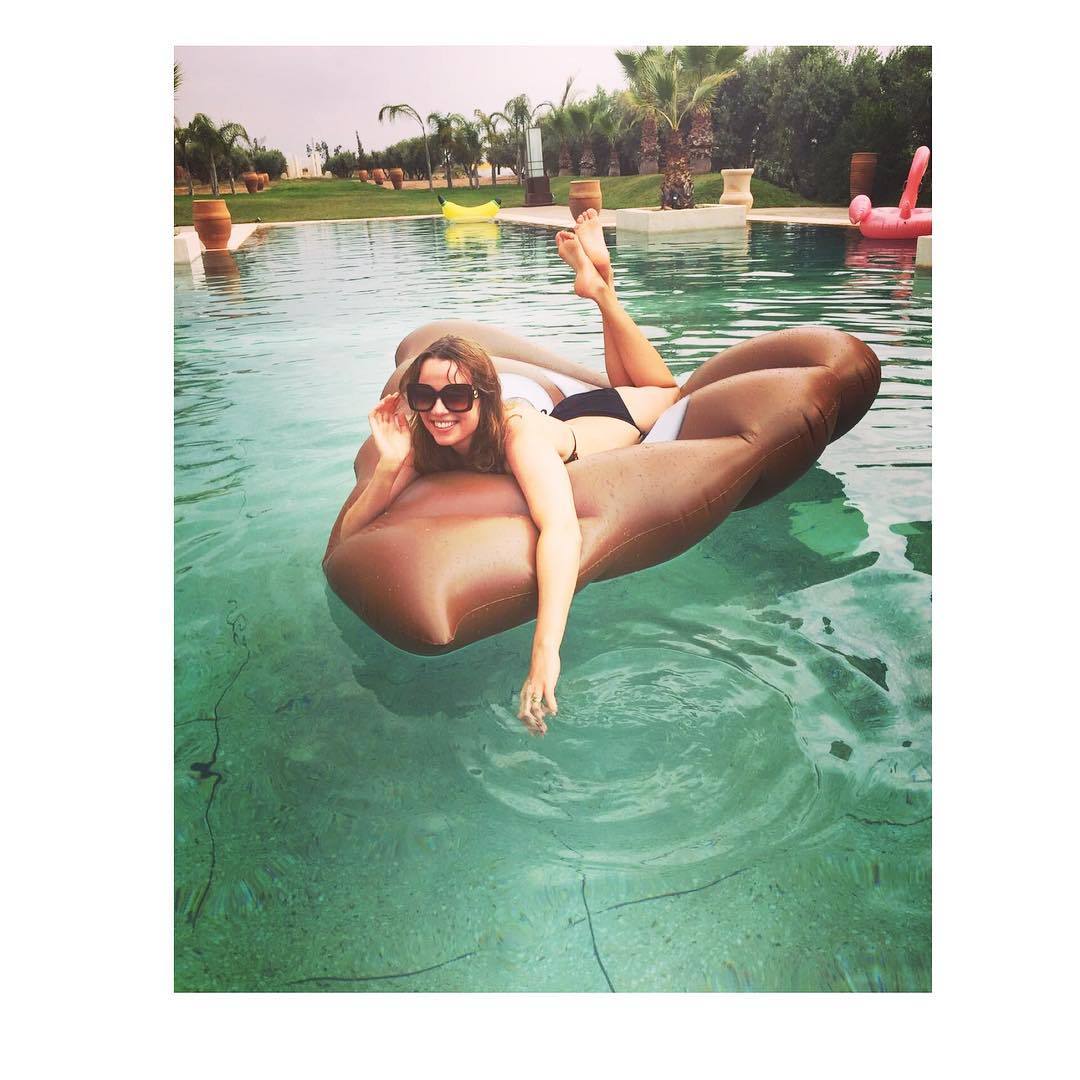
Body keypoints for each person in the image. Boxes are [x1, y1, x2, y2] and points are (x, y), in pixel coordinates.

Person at [339, 210, 681, 734]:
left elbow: (561, 530)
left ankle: (601, 289)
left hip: (600, 423)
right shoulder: (424, 435)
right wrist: (389, 464)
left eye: (456, 396)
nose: (439, 410)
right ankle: (598, 281)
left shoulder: (516, 434)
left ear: (482, 397)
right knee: (629, 376)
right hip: (557, 416)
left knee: (664, 391)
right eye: (424, 395)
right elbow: (351, 531)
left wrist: (545, 651)